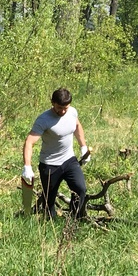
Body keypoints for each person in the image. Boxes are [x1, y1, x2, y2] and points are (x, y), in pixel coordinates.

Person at [22, 88, 91, 220]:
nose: (63, 111)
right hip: (50, 165)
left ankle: (73, 221)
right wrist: (27, 166)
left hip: (69, 160)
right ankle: (49, 226)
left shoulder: (72, 112)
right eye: (60, 107)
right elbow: (29, 142)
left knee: (80, 189)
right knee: (49, 203)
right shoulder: (44, 119)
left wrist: (83, 147)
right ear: (52, 103)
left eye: (66, 107)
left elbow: (77, 126)